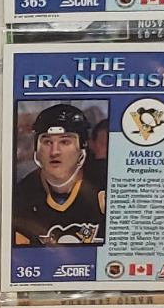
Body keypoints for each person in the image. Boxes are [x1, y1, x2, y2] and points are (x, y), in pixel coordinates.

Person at [11, 102, 107, 246]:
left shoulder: (106, 181)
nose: (54, 151)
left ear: (82, 148)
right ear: (37, 149)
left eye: (65, 142)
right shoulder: (23, 195)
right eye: (47, 142)